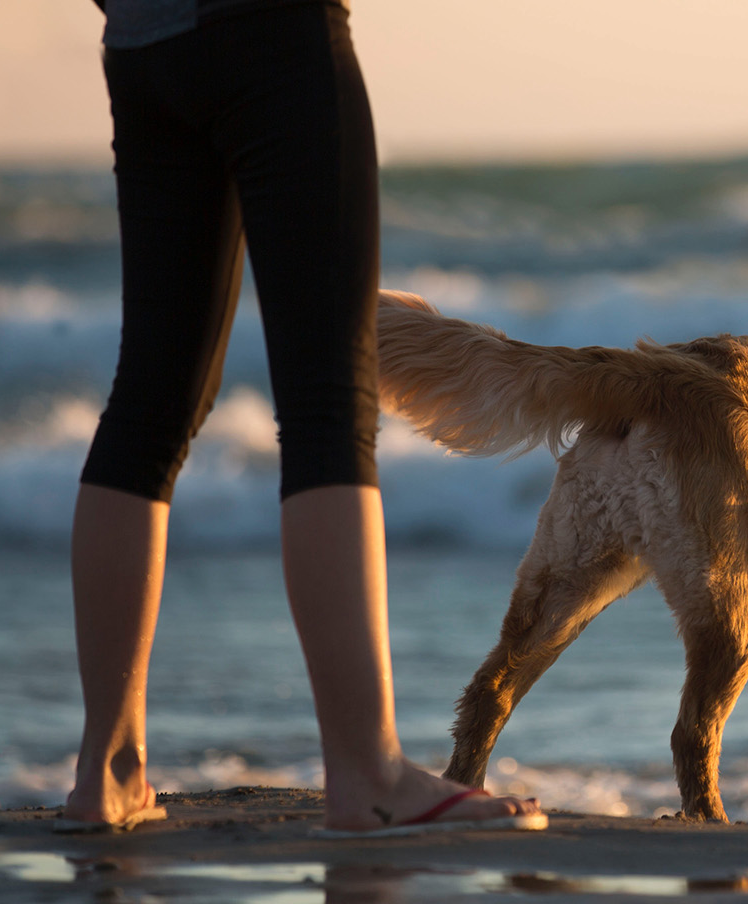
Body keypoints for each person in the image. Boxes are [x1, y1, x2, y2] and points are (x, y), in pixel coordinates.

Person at [60, 0, 543, 835]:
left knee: (148, 406)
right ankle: (368, 774)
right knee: (326, 404)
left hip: (144, 43)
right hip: (274, 32)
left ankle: (108, 771)